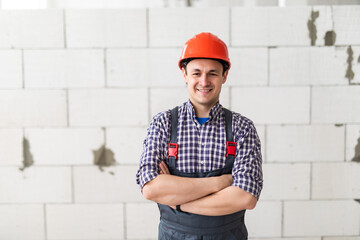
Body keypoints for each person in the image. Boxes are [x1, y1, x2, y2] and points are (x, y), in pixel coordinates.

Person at [136, 32, 263, 240]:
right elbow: (150, 188)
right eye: (196, 73)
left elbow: (245, 197)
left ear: (224, 76)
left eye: (212, 73)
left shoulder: (242, 128)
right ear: (184, 74)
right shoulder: (163, 124)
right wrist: (221, 183)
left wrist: (179, 202)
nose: (204, 81)